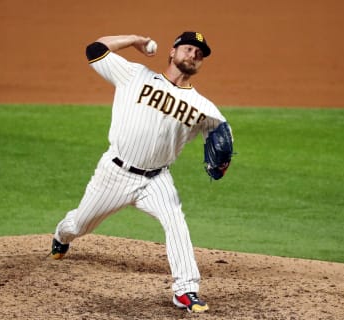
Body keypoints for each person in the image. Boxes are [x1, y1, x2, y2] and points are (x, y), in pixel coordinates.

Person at [50, 31, 232, 313]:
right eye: (188, 49)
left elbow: (221, 134)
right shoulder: (134, 75)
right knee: (80, 225)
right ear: (172, 52)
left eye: (199, 53)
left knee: (176, 222)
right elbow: (94, 49)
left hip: (157, 179)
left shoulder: (204, 107)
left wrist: (222, 156)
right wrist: (134, 40)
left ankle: (186, 290)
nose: (194, 55)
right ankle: (62, 236)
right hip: (115, 173)